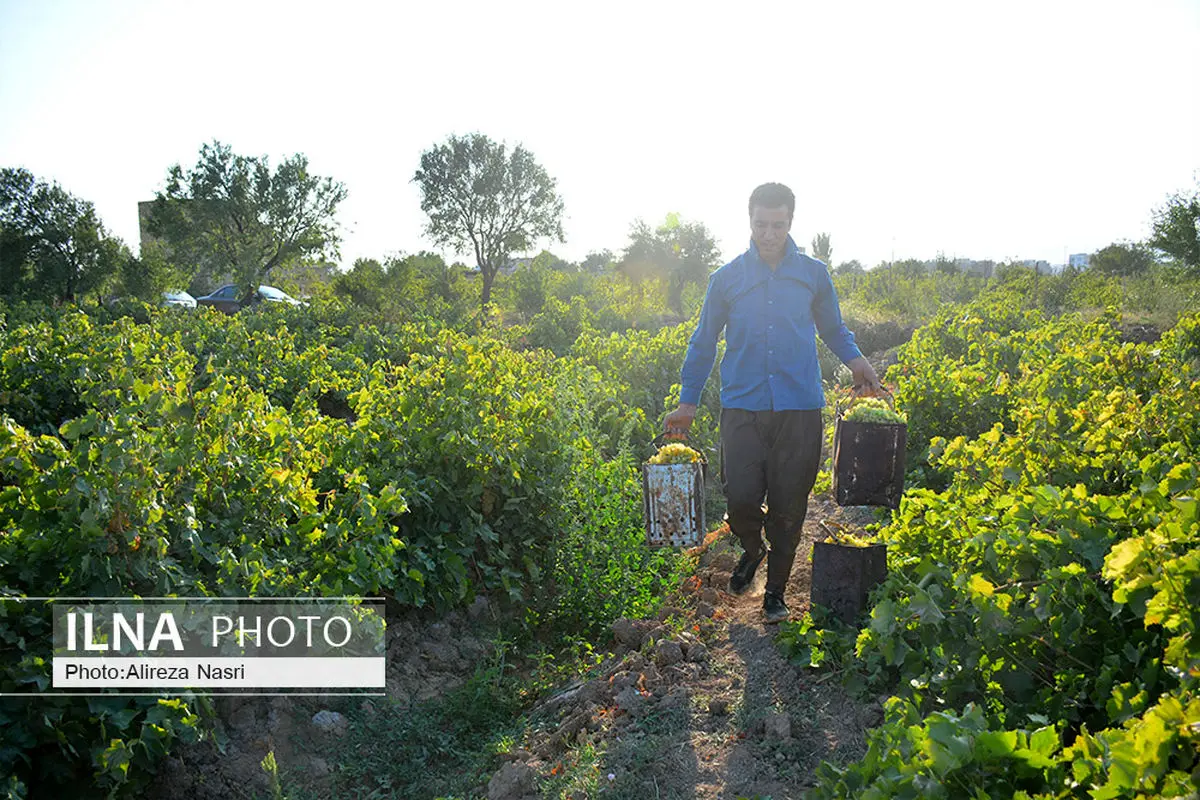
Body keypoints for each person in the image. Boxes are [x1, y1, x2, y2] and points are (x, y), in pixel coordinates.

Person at [663, 182, 881, 623]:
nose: (768, 234)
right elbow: (703, 343)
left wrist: (857, 361)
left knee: (789, 506)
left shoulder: (813, 274)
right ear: (749, 221)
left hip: (799, 407)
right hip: (742, 407)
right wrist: (688, 403)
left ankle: (775, 593)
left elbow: (834, 329)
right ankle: (751, 549)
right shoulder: (725, 280)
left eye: (777, 225)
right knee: (740, 498)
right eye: (761, 224)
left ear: (790, 222)